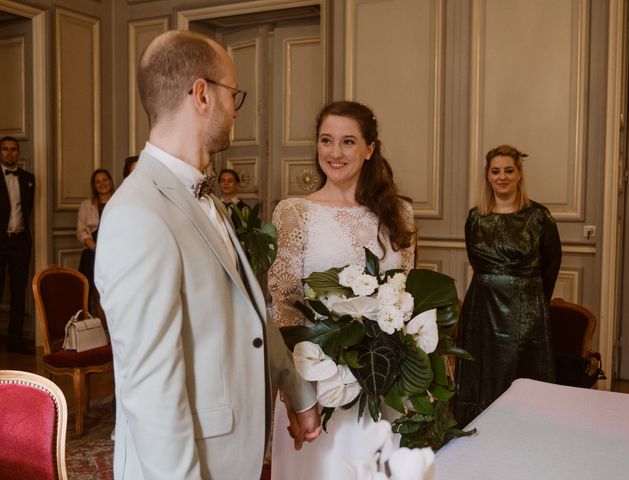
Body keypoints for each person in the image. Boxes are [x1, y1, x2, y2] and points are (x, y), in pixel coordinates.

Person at [94, 30, 320, 480]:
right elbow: (149, 388)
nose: (235, 109)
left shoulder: (205, 198)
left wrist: (299, 393)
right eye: (232, 94)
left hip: (232, 452)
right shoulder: (137, 214)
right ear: (201, 94)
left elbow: (249, 311)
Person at [268, 100, 416, 479]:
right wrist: (297, 393)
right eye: (326, 140)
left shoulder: (399, 213)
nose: (335, 153)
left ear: (369, 149)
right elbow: (283, 306)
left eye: (348, 142)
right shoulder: (294, 212)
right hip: (320, 384)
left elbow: (405, 296)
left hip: (387, 384)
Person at [454, 144, 562, 428]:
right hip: (482, 310)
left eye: (508, 170)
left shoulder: (539, 217)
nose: (502, 177)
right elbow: (477, 263)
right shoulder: (475, 217)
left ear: (519, 174)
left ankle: (523, 433)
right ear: (488, 176)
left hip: (526, 311)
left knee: (521, 375)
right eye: (495, 171)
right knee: (482, 374)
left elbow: (551, 267)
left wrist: (534, 306)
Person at [0, 136, 35, 354]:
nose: (10, 153)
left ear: (18, 153)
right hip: (0, 242)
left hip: (20, 241)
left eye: (13, 149)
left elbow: (27, 210)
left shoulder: (28, 178)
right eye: (5, 149)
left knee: (18, 293)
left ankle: (16, 340)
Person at [77, 168, 114, 317]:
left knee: (110, 292)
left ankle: (111, 333)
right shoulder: (86, 205)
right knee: (93, 293)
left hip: (114, 254)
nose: (102, 184)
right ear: (94, 185)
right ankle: (94, 331)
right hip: (93, 253)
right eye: (98, 182)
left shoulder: (119, 200)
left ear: (110, 182)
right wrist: (96, 248)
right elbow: (81, 231)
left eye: (105, 180)